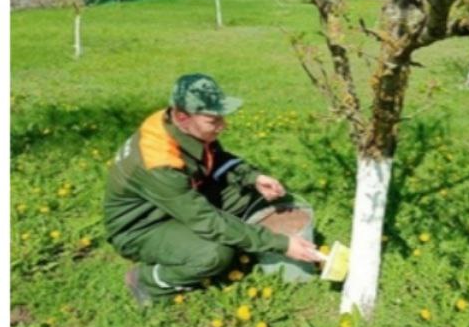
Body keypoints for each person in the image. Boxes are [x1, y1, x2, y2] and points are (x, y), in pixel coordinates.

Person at [104, 73, 325, 304]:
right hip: (142, 228)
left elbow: (215, 158)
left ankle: (248, 239)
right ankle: (147, 282)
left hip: (176, 204)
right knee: (215, 254)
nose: (223, 126)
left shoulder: (177, 124)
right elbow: (206, 221)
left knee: (253, 195)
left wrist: (253, 177)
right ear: (182, 117)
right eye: (213, 121)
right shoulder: (158, 162)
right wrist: (281, 244)